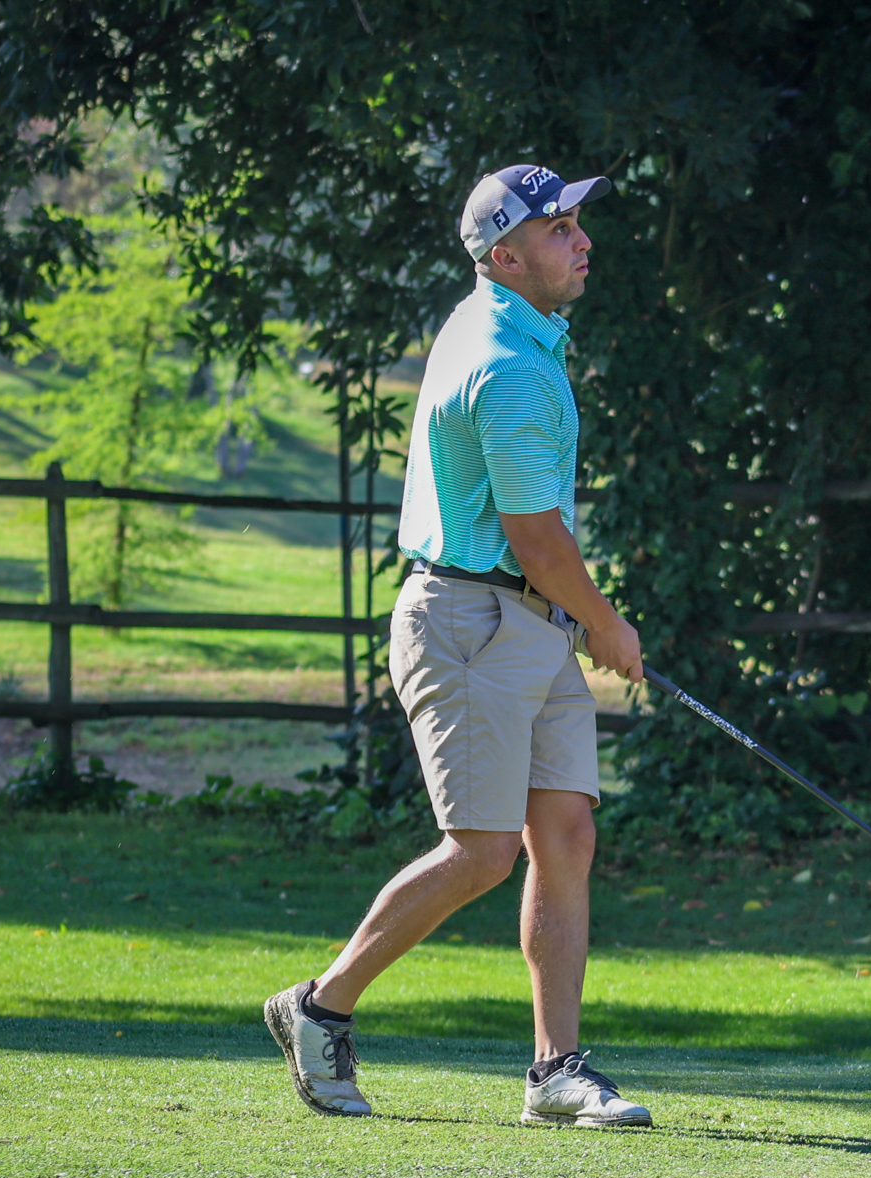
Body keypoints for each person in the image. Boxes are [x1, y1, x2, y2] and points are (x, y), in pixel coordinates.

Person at [264, 164, 651, 1128]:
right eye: (559, 229)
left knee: (566, 834)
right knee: (480, 851)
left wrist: (575, 620)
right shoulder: (507, 365)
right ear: (504, 257)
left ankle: (556, 1069)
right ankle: (319, 1006)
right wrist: (606, 623)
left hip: (527, 619)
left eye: (577, 223)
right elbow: (536, 538)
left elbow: (539, 549)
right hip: (471, 620)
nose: (583, 242)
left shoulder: (513, 330)